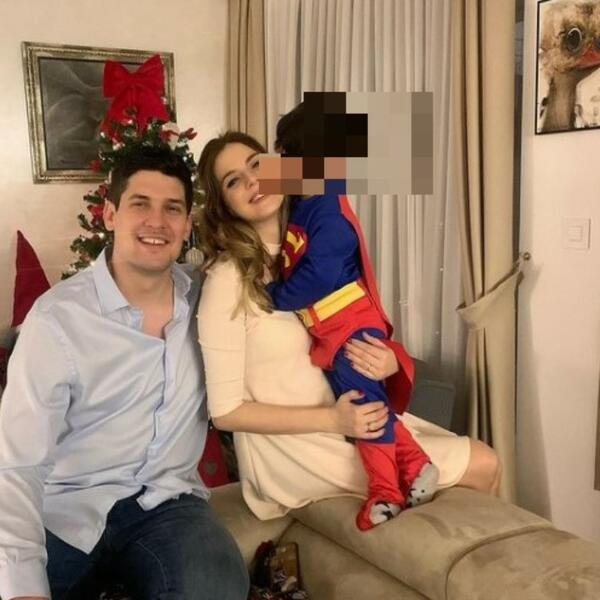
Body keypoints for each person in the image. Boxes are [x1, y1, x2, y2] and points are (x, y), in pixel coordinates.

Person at [195, 130, 502, 526]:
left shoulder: (311, 242)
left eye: (257, 164)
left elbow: (354, 321)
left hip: (353, 415)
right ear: (223, 205)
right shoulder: (227, 279)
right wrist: (334, 421)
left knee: (481, 458)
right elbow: (225, 413)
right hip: (298, 446)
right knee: (482, 463)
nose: (253, 180)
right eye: (234, 181)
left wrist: (391, 360)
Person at [0, 146, 249, 600]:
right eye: (140, 204)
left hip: (168, 505)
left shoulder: (208, 301)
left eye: (172, 208)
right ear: (110, 214)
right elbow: (18, 461)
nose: (157, 222)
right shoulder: (57, 321)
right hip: (63, 508)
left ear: (186, 224)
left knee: (217, 585)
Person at [264, 100, 439, 530]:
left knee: (363, 403)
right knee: (363, 398)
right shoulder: (305, 202)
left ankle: (385, 492)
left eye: (285, 153)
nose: (278, 164)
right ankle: (416, 463)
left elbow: (319, 274)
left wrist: (275, 295)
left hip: (350, 326)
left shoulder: (329, 211)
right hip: (335, 329)